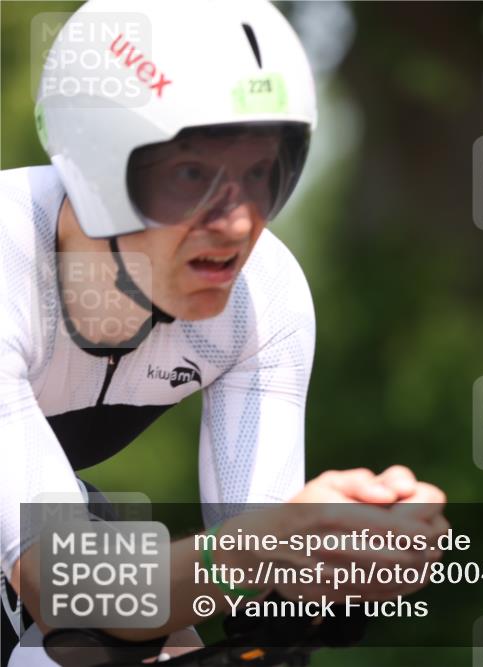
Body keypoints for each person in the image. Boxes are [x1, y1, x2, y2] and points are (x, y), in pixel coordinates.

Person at [0, 2, 447, 665]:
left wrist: (337, 550)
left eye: (262, 173)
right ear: (94, 169)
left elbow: (250, 583)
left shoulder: (265, 294)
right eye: (191, 175)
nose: (237, 224)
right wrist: (259, 547)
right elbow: (67, 587)